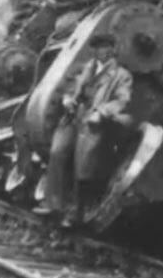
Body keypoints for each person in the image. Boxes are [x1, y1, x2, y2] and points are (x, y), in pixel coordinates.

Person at [37, 33, 133, 228]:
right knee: (57, 152)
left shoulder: (121, 75)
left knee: (83, 167)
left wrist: (102, 112)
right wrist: (67, 99)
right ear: (95, 50)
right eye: (100, 47)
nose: (104, 51)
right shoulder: (85, 69)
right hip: (73, 118)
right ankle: (53, 204)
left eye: (108, 47)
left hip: (93, 123)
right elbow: (69, 88)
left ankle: (74, 214)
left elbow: (122, 100)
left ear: (114, 50)